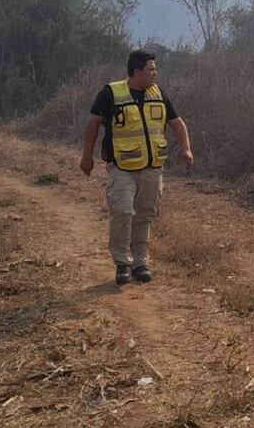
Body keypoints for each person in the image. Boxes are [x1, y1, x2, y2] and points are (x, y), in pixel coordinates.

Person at [80, 50, 194, 285]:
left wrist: (186, 148)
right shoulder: (111, 93)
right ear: (137, 71)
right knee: (122, 211)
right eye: (151, 69)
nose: (155, 73)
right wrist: (87, 157)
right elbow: (93, 123)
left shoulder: (158, 93)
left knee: (144, 215)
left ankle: (140, 262)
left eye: (155, 69)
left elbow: (177, 122)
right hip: (121, 167)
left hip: (152, 168)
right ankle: (123, 263)